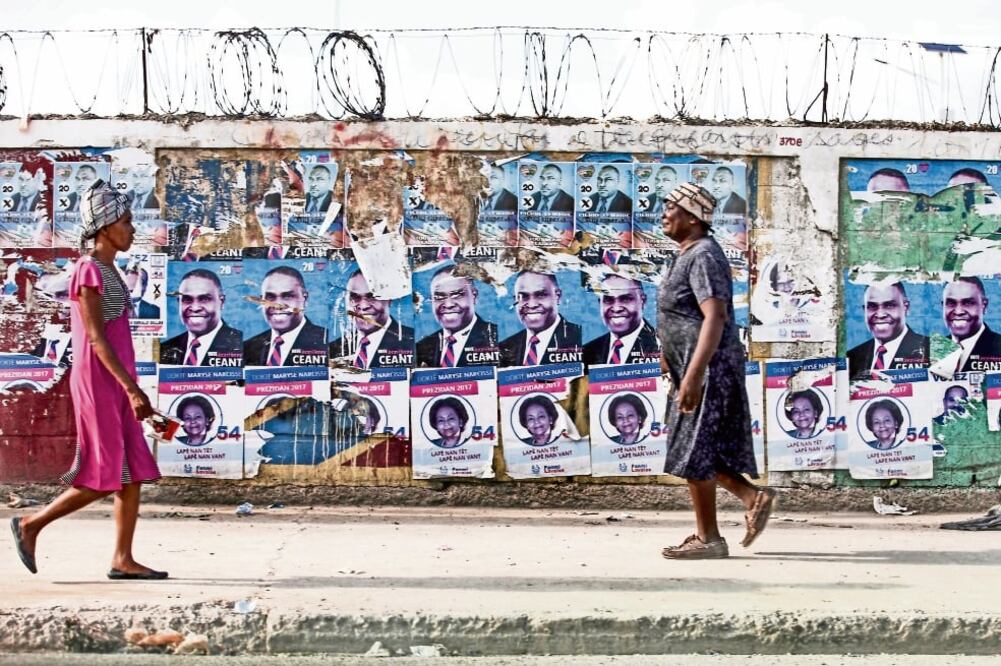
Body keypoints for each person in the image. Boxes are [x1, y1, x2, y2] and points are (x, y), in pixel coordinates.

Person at [9, 179, 167, 580]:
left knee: (132, 473)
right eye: (127, 222)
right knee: (104, 475)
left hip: (118, 381)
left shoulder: (110, 269)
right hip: (99, 382)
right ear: (105, 226)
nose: (133, 229)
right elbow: (96, 338)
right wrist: (131, 388)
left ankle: (122, 558)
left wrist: (133, 386)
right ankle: (30, 525)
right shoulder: (87, 270)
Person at [657, 182, 774, 560]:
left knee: (693, 451)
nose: (664, 213)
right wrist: (668, 354)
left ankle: (709, 538)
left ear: (692, 217)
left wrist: (693, 376)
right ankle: (752, 497)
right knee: (699, 449)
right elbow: (681, 313)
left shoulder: (704, 254)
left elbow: (715, 316)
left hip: (706, 371)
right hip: (690, 367)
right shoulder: (685, 253)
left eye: (670, 206)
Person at [328, 269, 414, 368]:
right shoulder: (333, 350)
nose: (363, 306)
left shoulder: (411, 342)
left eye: (372, 296)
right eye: (354, 296)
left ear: (389, 299)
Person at [243, 266, 327, 367]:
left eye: (287, 296)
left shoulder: (325, 342)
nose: (278, 305)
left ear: (304, 299)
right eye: (270, 297)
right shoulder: (247, 348)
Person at [416, 266, 499, 367]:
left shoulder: (497, 339)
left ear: (474, 296)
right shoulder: (420, 348)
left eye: (457, 295)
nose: (448, 304)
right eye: (439, 297)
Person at [159, 269, 242, 367]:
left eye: (204, 299)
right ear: (179, 302)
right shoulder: (164, 349)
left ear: (221, 302)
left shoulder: (240, 344)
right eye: (187, 299)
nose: (195, 308)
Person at [846, 282, 930, 380]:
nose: (880, 314)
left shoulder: (933, 351)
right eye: (872, 306)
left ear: (906, 307)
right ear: (864, 310)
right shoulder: (851, 358)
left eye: (889, 305)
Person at [499, 271, 582, 366]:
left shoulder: (581, 340)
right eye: (523, 296)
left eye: (541, 295)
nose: (532, 305)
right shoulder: (504, 349)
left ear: (558, 296)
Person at [583, 274, 660, 366]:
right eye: (608, 300)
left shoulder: (662, 347)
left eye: (626, 299)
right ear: (600, 303)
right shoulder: (587, 352)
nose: (616, 308)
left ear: (643, 301)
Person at [942, 277, 1001, 372]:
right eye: (951, 303)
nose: (958, 311)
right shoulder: (931, 352)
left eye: (968, 303)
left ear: (984, 306)